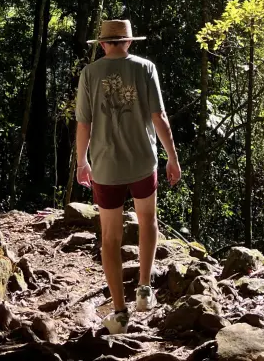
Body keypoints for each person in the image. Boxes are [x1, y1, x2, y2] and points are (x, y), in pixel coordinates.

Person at [75, 19, 181, 334]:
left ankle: (120, 314)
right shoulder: (145, 68)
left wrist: (82, 162)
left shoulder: (89, 74)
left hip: (106, 168)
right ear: (129, 42)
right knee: (147, 220)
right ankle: (145, 290)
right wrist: (172, 158)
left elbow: (84, 124)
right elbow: (159, 117)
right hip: (143, 163)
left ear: (103, 44)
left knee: (110, 239)